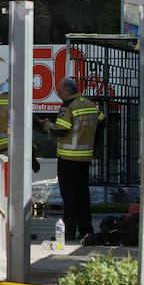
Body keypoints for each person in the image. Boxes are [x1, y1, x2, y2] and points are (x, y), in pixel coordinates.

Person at [51, 77, 103, 242]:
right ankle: (86, 230)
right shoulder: (90, 104)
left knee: (69, 197)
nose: (58, 93)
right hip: (85, 158)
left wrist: (46, 125)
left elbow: (61, 130)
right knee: (82, 196)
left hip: (68, 159)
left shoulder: (67, 106)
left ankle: (68, 233)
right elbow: (102, 121)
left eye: (59, 90)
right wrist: (92, 141)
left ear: (66, 91)